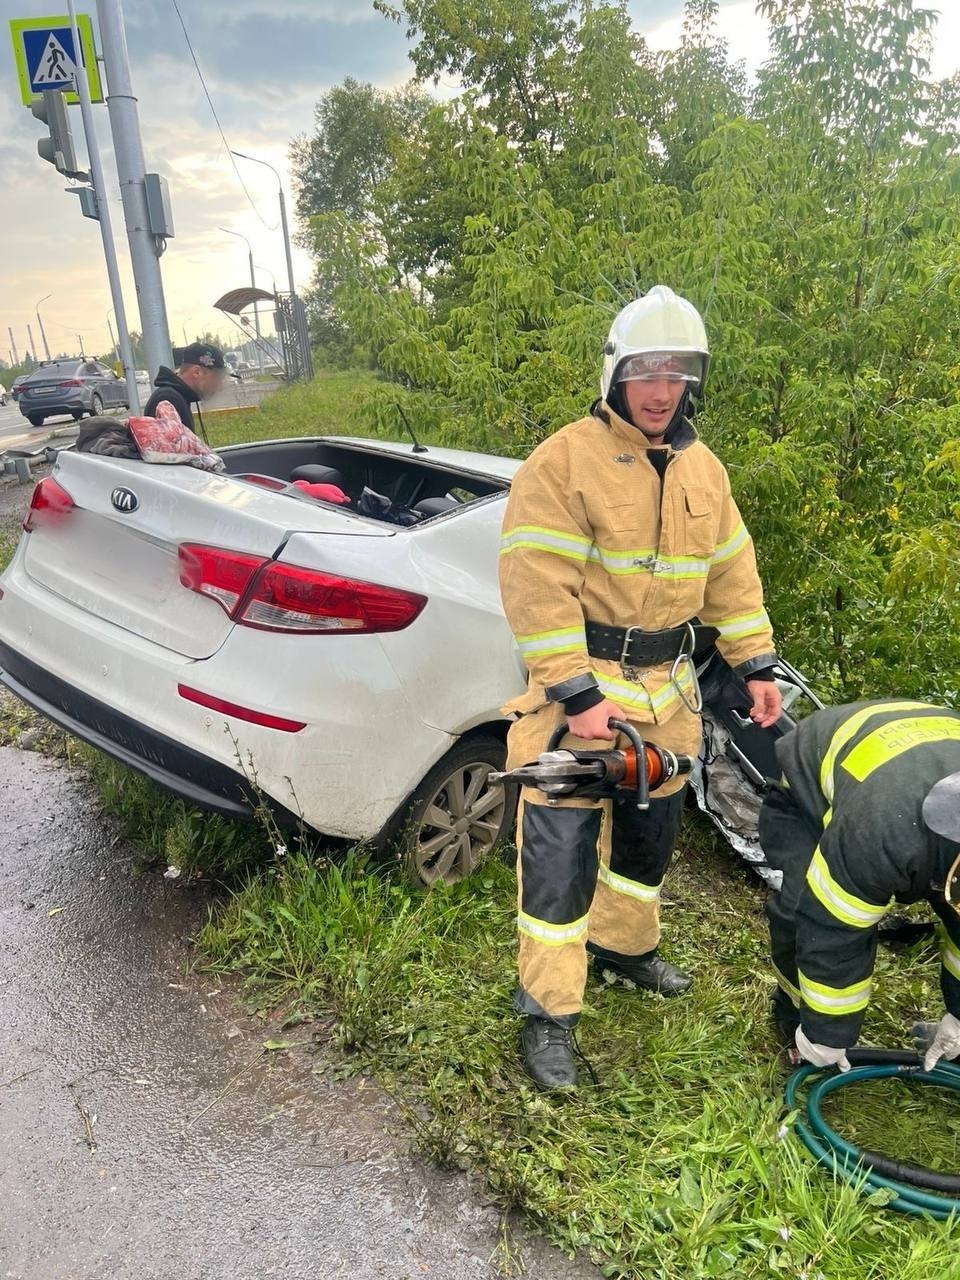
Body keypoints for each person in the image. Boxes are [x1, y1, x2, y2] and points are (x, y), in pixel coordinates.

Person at [498, 284, 782, 1089]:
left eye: (676, 373)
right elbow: (535, 584)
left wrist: (756, 664)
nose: (661, 390)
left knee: (647, 841)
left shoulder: (706, 470)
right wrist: (577, 693)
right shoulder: (563, 461)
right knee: (559, 854)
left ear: (693, 380)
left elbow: (732, 576)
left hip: (670, 694)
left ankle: (625, 949)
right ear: (616, 374)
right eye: (646, 372)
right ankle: (548, 1011)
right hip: (583, 697)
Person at [760, 700, 960, 1073]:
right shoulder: (882, 833)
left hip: (916, 762)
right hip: (812, 782)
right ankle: (794, 1013)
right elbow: (832, 926)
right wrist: (827, 1031)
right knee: (800, 908)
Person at [143, 342, 227, 438]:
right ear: (196, 372)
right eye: (216, 378)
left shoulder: (178, 397)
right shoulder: (169, 399)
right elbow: (168, 447)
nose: (220, 387)